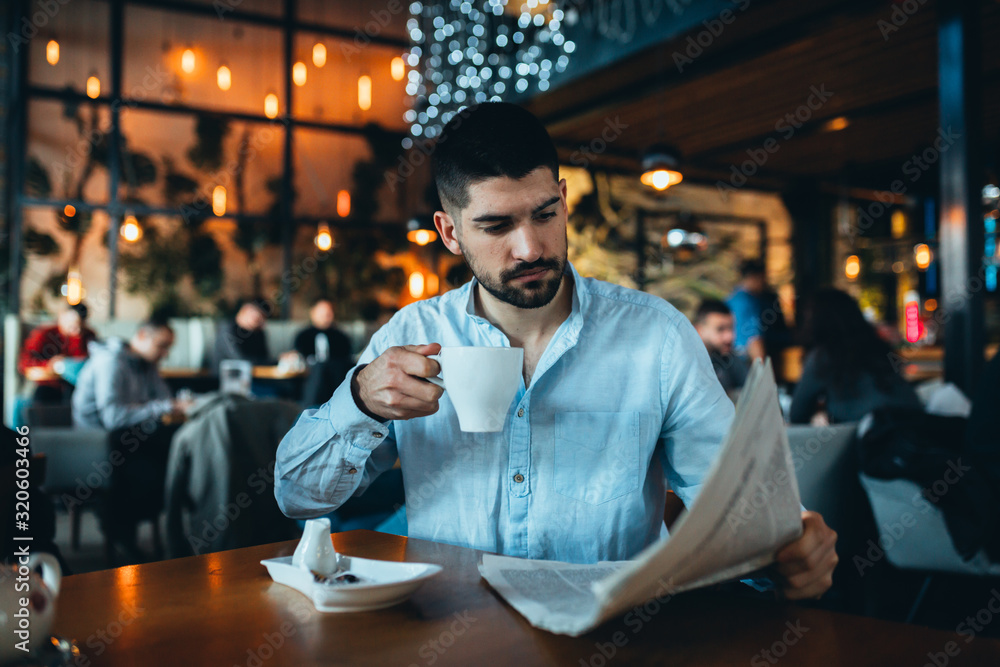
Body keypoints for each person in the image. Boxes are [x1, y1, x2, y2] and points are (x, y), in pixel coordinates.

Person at [275, 102, 837, 599]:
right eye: (496, 226)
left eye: (544, 214)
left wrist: (790, 548)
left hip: (611, 640)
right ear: (450, 233)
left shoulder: (655, 337)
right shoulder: (411, 332)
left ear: (564, 200)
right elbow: (297, 495)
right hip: (450, 637)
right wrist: (361, 400)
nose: (530, 248)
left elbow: (737, 507)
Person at [72, 319, 192, 562]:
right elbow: (113, 417)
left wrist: (170, 405)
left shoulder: (146, 364)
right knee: (158, 461)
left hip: (129, 436)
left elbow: (164, 399)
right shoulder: (110, 362)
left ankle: (135, 528)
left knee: (175, 449)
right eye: (162, 346)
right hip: (95, 441)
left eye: (169, 347)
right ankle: (120, 528)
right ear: (141, 337)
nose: (165, 353)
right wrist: (167, 406)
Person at [788, 288, 921, 425]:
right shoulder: (878, 346)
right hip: (918, 426)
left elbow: (797, 415)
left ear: (816, 321)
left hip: (880, 435)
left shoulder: (822, 357)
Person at [18, 303, 97, 403]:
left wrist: (77, 338)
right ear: (62, 316)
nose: (77, 331)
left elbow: (89, 362)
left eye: (80, 326)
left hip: (78, 388)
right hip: (48, 386)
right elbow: (24, 362)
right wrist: (50, 364)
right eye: (73, 325)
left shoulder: (88, 335)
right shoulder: (44, 334)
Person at [294, 298, 354, 407]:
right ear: (312, 312)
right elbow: (299, 357)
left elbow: (347, 359)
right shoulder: (303, 336)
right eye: (322, 311)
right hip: (310, 378)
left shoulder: (341, 337)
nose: (326, 315)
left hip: (336, 378)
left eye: (329, 312)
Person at [693, 299, 748, 395]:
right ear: (698, 330)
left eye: (731, 328)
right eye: (720, 329)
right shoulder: (686, 367)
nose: (730, 337)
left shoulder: (730, 358)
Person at [212, 300, 272, 373]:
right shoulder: (227, 330)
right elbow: (241, 360)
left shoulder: (257, 332)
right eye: (258, 318)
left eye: (263, 319)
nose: (261, 323)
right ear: (245, 311)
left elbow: (265, 357)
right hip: (227, 379)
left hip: (254, 377)